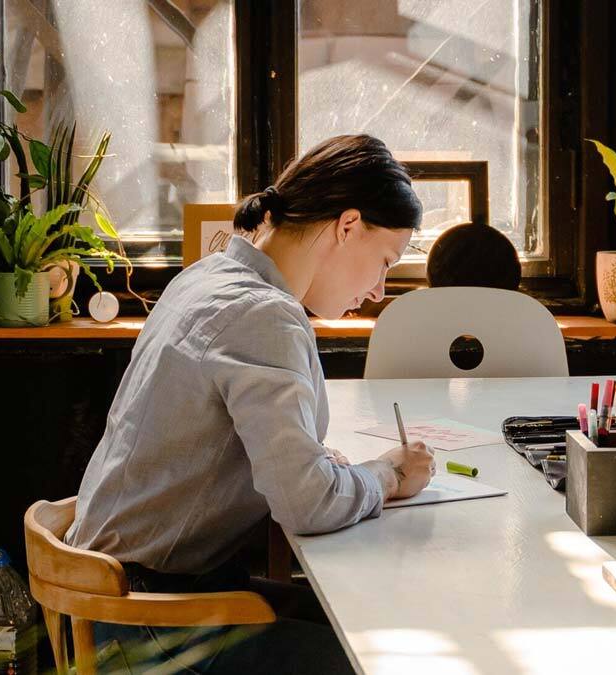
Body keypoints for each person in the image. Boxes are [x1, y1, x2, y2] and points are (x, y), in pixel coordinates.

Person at [65, 134, 436, 673]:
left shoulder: (208, 274)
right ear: (348, 225)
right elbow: (306, 505)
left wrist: (315, 463)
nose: (379, 289)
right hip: (151, 622)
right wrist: (386, 476)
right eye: (385, 261)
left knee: (379, 621)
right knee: (390, 655)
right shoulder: (264, 316)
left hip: (127, 594)